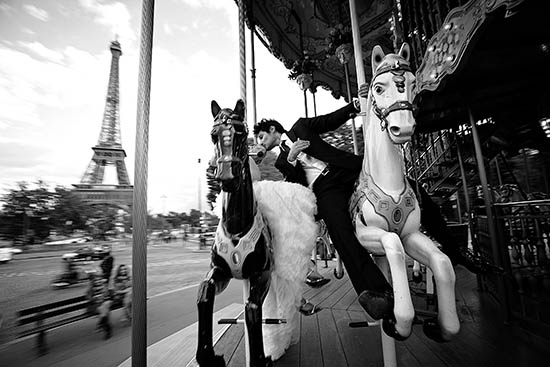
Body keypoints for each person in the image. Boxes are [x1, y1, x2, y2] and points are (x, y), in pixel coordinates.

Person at [254, 99, 395, 321]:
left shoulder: (301, 127)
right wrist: (291, 160)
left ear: (272, 130)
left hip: (344, 169)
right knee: (341, 234)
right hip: (325, 189)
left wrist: (353, 107)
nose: (261, 143)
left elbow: (329, 121)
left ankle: (455, 251)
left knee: (400, 183)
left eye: (261, 137)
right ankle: (376, 292)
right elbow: (298, 185)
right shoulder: (281, 161)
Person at [87, 272, 112, 339]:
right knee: (103, 309)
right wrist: (95, 298)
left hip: (105, 302)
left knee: (105, 305)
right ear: (93, 281)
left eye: (99, 280)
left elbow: (108, 296)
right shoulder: (91, 289)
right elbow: (89, 299)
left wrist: (102, 297)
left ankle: (102, 325)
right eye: (96, 280)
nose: (98, 281)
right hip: (96, 305)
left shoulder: (104, 286)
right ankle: (107, 327)